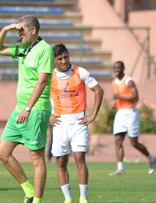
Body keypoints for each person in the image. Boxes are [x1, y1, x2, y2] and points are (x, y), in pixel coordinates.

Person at [0, 15, 54, 203]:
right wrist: (5, 29)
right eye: (17, 31)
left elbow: (42, 81)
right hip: (19, 110)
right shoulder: (23, 49)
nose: (19, 35)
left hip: (35, 110)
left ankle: (37, 200)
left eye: (21, 31)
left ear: (33, 30)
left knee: (36, 157)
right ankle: (28, 190)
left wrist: (28, 108)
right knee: (2, 152)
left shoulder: (45, 50)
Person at [49, 43, 104, 203]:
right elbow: (40, 96)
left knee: (80, 158)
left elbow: (99, 90)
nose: (64, 61)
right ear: (55, 61)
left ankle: (83, 198)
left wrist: (93, 115)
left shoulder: (80, 72)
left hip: (78, 122)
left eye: (66, 57)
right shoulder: (50, 76)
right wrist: (48, 116)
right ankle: (67, 199)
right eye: (60, 58)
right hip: (59, 123)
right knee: (61, 162)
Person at [110, 61, 156, 175]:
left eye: (119, 68)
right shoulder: (114, 82)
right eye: (115, 68)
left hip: (131, 113)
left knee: (134, 143)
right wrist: (116, 104)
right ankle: (120, 168)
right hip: (120, 113)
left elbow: (136, 97)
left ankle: (151, 158)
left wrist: (119, 97)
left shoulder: (128, 81)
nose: (116, 70)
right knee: (117, 141)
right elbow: (120, 100)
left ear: (123, 68)